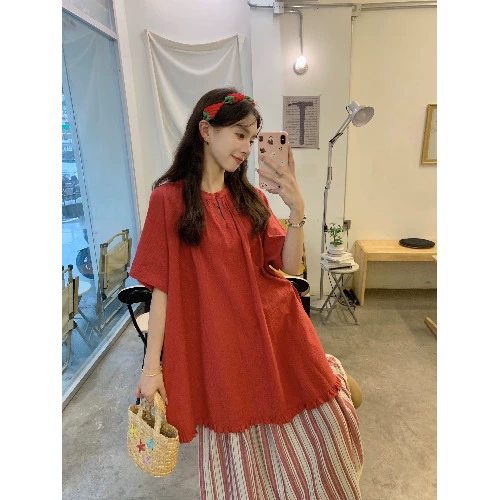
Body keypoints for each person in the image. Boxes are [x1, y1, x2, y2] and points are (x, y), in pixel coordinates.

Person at [130, 88, 364, 499]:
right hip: (222, 352)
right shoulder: (168, 199)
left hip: (278, 335)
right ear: (206, 131)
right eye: (240, 134)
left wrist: (296, 210)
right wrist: (152, 370)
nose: (247, 147)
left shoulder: (250, 198)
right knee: (240, 453)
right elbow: (161, 289)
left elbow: (289, 268)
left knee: (322, 424)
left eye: (253, 139)